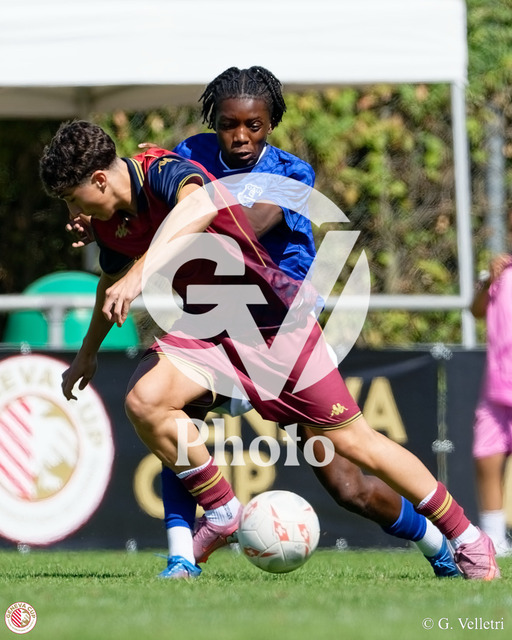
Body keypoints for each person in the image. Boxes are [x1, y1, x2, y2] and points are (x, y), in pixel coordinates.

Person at [40, 120, 500, 582]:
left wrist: (139, 276)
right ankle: (221, 513)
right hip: (209, 330)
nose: (74, 212)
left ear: (100, 179)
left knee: (355, 444)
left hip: (274, 325)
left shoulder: (160, 170)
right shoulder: (109, 223)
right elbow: (110, 282)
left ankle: (467, 538)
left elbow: (198, 205)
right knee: (146, 399)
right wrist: (87, 353)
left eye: (73, 199)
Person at [144, 66, 460, 579]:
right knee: (171, 418)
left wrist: (176, 191)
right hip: (217, 323)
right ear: (213, 122)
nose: (240, 137)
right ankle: (182, 557)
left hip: (281, 336)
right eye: (228, 125)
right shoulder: (192, 153)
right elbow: (148, 206)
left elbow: (243, 229)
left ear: (271, 125)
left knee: (347, 486)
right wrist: (108, 216)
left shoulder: (292, 173)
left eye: (253, 125)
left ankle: (436, 543)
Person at [470, 253, 512, 556]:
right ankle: (495, 540)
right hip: (496, 387)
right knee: (486, 456)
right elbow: (476, 310)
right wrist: (487, 282)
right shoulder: (502, 271)